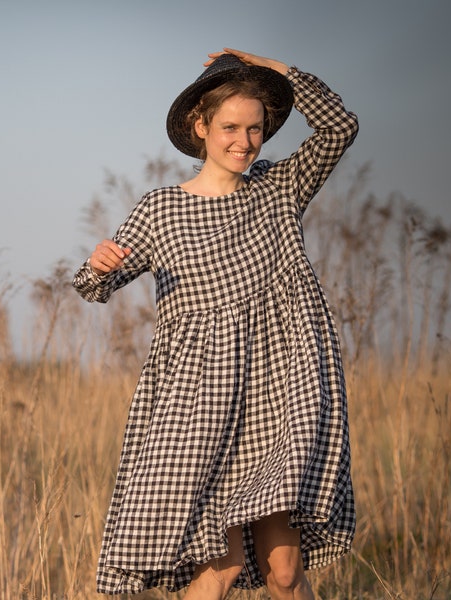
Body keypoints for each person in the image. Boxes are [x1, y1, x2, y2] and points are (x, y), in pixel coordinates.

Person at [73, 48, 358, 599]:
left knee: (284, 570)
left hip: (283, 392)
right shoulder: (161, 210)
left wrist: (274, 70)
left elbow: (339, 126)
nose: (244, 141)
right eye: (230, 126)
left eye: (256, 128)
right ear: (199, 126)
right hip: (204, 404)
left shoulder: (279, 189)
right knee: (219, 571)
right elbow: (94, 286)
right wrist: (98, 265)